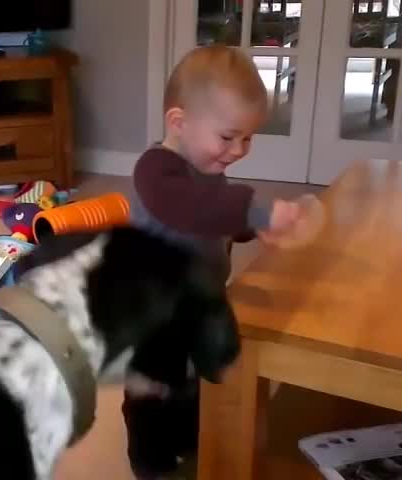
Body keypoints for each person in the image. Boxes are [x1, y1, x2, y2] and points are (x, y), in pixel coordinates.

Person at [122, 44, 309, 479]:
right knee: (153, 385)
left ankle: (190, 429)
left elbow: (211, 219)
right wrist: (255, 211)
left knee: (203, 372)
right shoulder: (156, 171)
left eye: (247, 137)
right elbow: (191, 209)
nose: (239, 150)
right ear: (179, 122)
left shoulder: (205, 166)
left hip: (197, 296)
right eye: (228, 137)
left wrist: (252, 229)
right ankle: (148, 458)